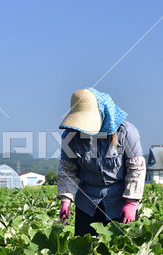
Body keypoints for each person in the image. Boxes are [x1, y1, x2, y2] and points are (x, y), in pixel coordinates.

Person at [57, 88, 146, 236]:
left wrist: (131, 202)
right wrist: (65, 200)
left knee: (121, 252)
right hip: (87, 202)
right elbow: (67, 170)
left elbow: (136, 168)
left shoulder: (126, 132)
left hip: (120, 200)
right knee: (86, 252)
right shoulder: (71, 135)